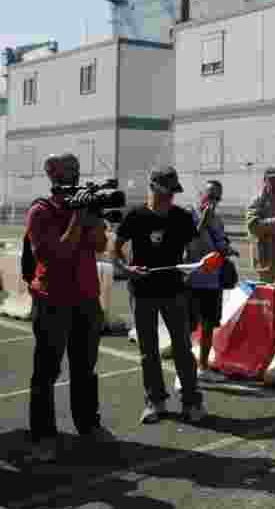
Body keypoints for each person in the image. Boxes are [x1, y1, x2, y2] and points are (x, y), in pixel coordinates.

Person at [24, 153, 114, 463]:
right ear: (53, 174)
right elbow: (56, 255)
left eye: (76, 168)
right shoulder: (41, 211)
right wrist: (76, 216)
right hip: (53, 301)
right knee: (46, 372)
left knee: (85, 369)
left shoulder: (85, 206)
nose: (74, 174)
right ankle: (43, 436)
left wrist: (91, 214)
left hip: (86, 299)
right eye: (68, 169)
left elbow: (100, 244)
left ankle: (88, 425)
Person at [113, 166, 206, 424]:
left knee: (183, 348)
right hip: (142, 292)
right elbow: (115, 250)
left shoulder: (182, 217)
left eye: (173, 192)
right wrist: (127, 268)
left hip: (174, 291)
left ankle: (191, 401)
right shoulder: (135, 215)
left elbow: (193, 252)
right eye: (167, 192)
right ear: (153, 187)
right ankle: (155, 402)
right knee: (148, 351)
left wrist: (193, 266)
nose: (170, 198)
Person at [184, 179, 235, 383]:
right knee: (187, 327)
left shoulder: (218, 220)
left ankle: (203, 366)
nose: (213, 201)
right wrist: (203, 219)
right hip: (192, 279)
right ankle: (185, 367)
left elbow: (221, 244)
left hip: (212, 281)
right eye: (210, 196)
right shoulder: (189, 214)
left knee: (208, 326)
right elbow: (191, 240)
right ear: (201, 195)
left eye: (216, 197)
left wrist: (228, 250)